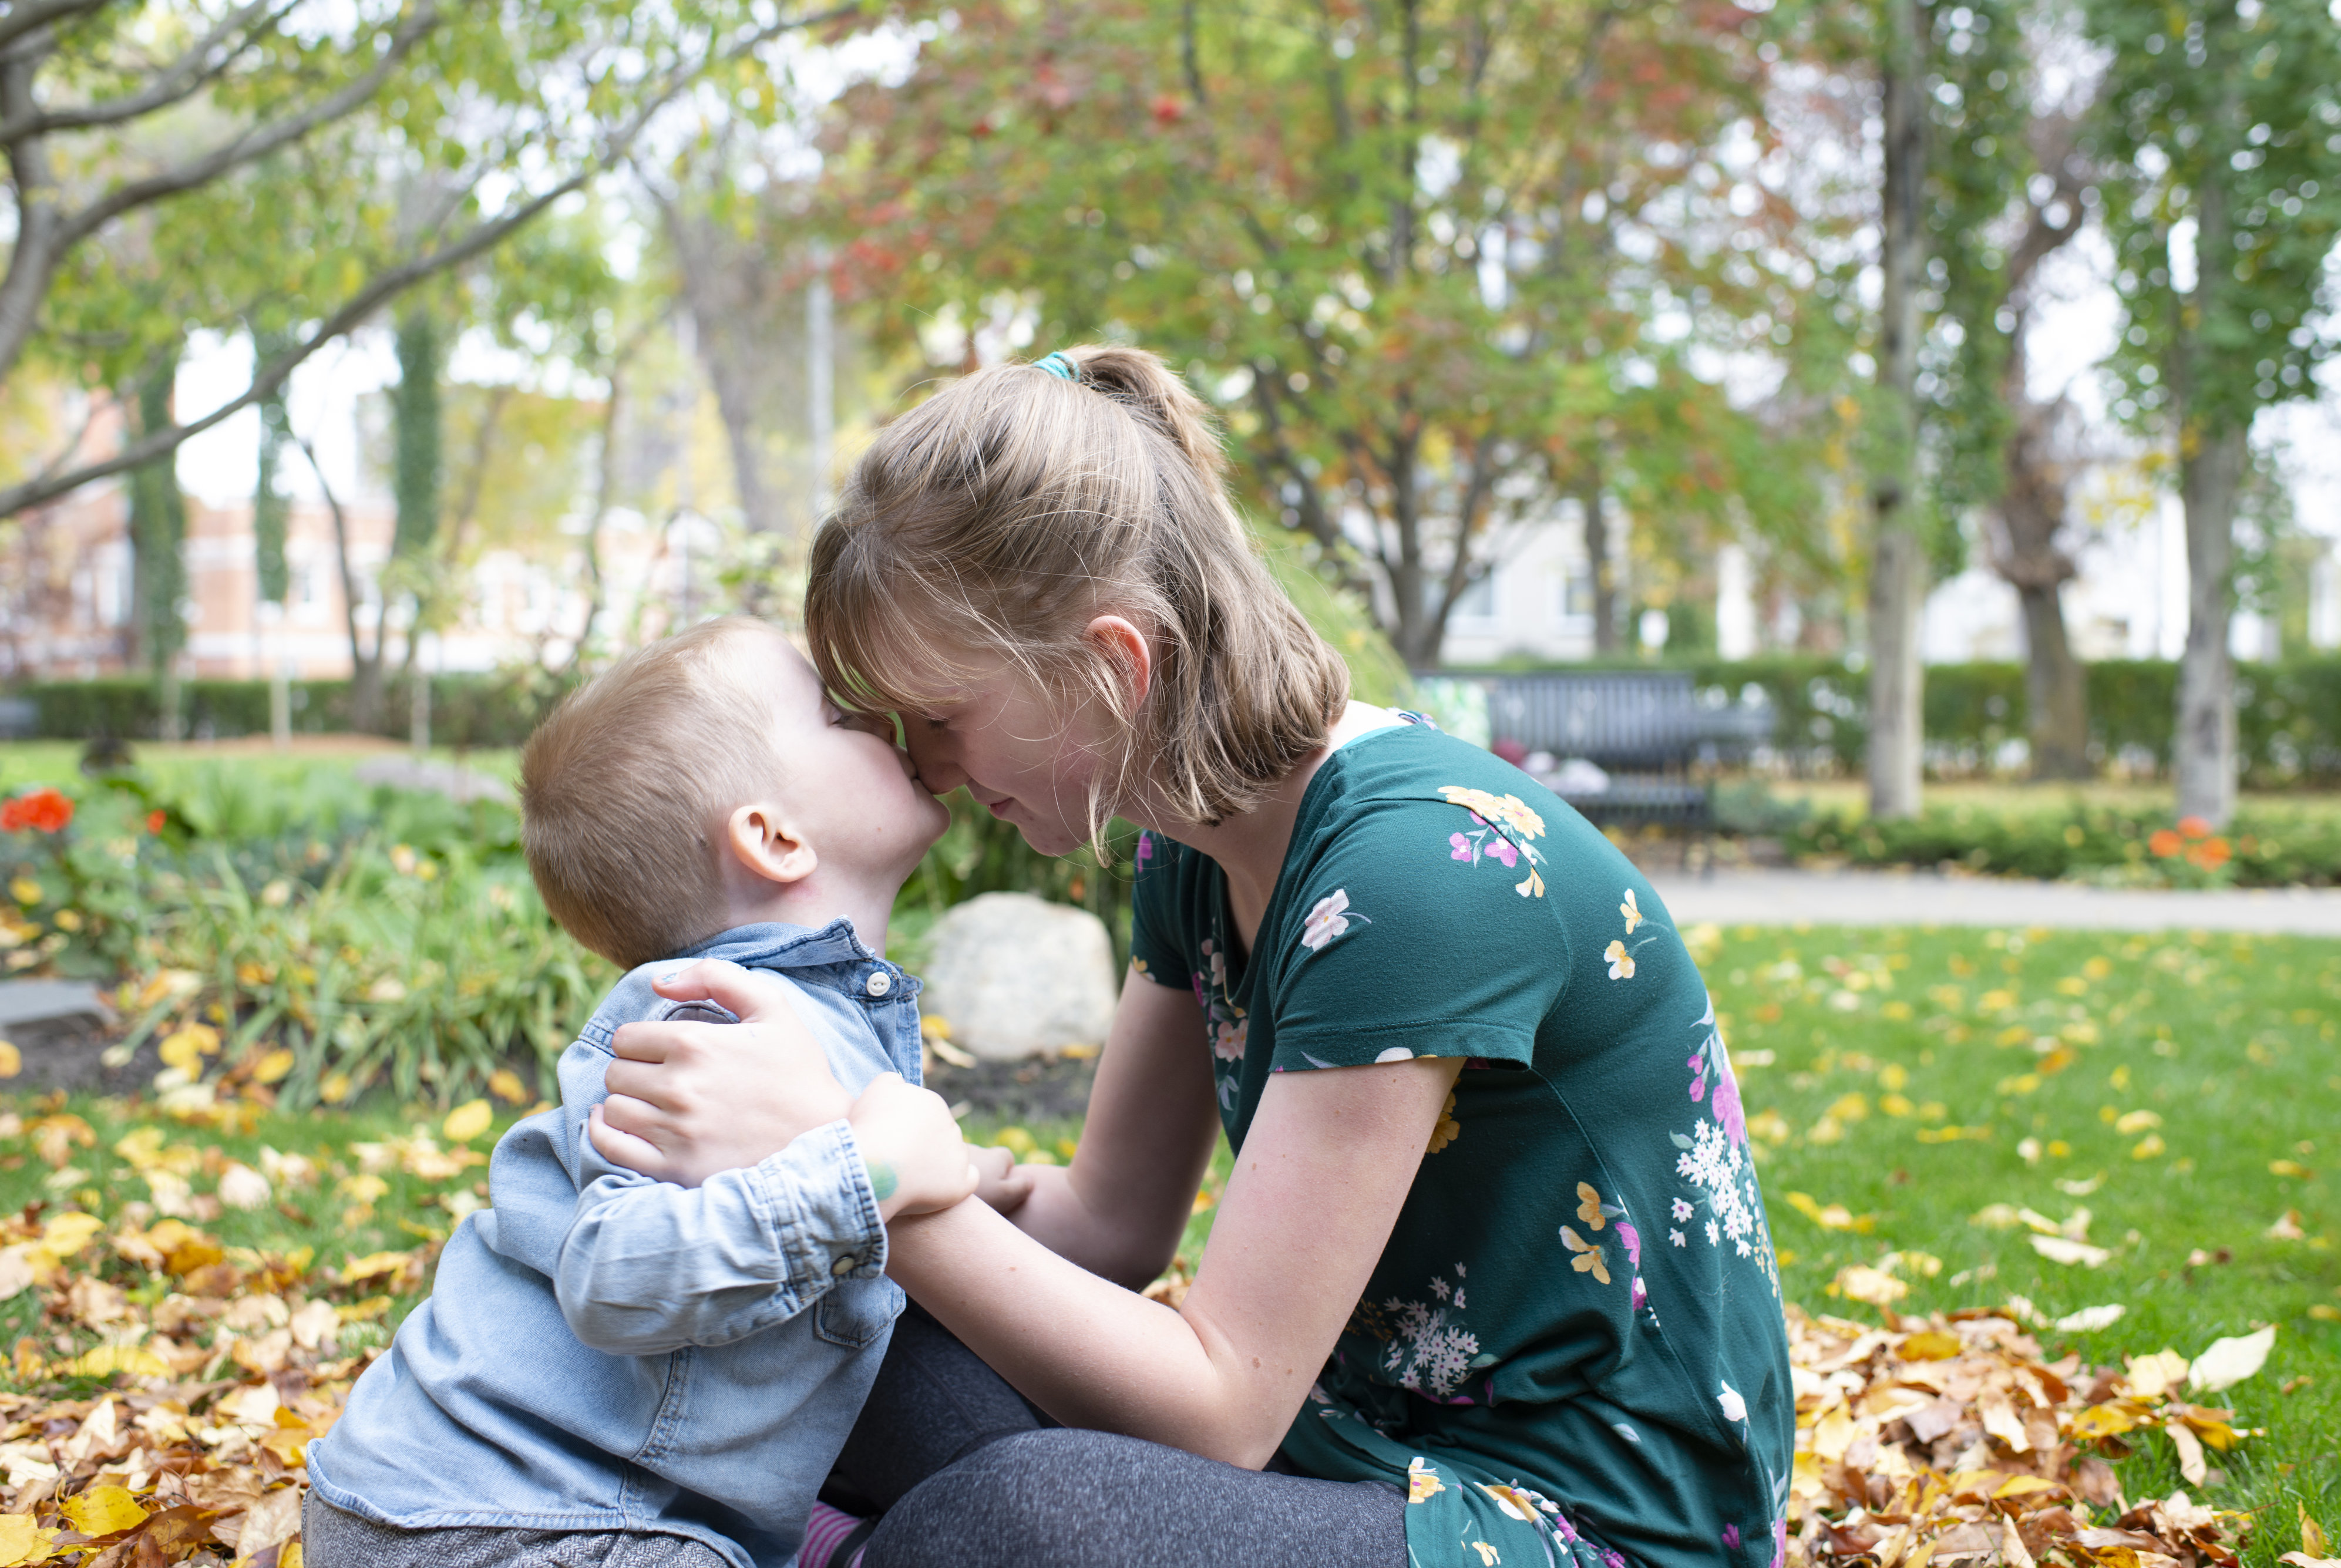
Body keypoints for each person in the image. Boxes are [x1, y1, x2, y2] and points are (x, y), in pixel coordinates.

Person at [594, 348, 1795, 1568]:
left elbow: (1221, 1412)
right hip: (1352, 1449)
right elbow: (1109, 1223)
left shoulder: (1422, 874)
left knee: (1017, 1522)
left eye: (940, 716)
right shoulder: (1187, 850)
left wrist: (849, 1171)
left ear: (1115, 669)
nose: (928, 769)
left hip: (1576, 1520)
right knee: (854, 1352)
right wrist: (834, 1196)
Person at [303, 618, 990, 1568]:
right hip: (495, 1524)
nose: (883, 716)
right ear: (772, 835)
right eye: (841, 714)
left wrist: (965, 1179)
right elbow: (617, 1275)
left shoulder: (811, 1018)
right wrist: (867, 1173)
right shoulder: (704, 1028)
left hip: (537, 1514)